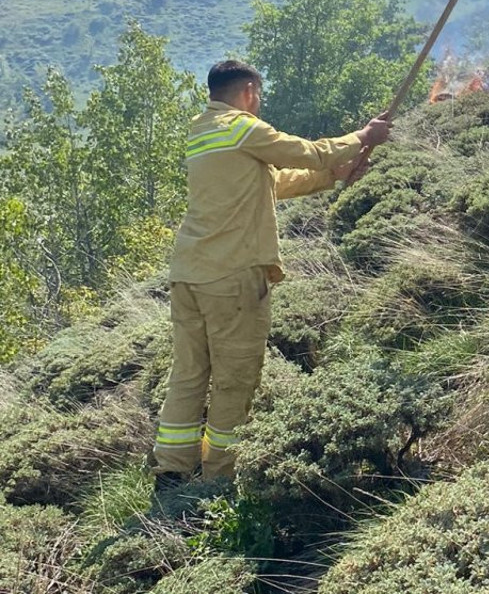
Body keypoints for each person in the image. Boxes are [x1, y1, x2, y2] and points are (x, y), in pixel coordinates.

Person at [151, 60, 391, 487]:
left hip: (188, 274)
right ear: (247, 90)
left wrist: (330, 178)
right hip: (230, 276)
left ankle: (172, 467)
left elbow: (271, 182)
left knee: (189, 372)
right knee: (235, 376)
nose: (259, 104)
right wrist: (362, 138)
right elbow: (306, 151)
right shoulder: (242, 127)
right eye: (258, 96)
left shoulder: (202, 132)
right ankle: (218, 479)